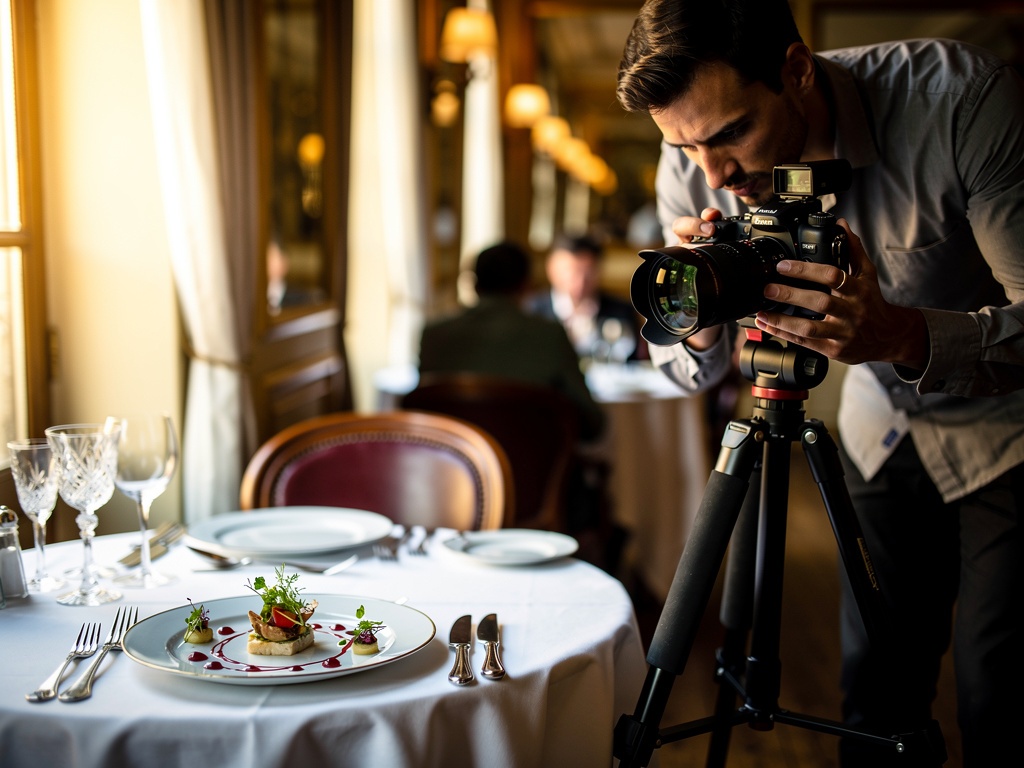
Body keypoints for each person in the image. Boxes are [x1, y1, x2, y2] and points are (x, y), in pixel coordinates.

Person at [617, 2, 1024, 766]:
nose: (712, 174)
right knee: (875, 688)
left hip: (1005, 431)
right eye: (684, 146)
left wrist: (901, 334)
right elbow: (690, 369)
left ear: (797, 71)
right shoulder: (694, 158)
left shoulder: (958, 101)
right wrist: (699, 312)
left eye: (732, 133)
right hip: (880, 430)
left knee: (994, 691)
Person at [417, 240, 605, 441]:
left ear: (474, 285)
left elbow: (422, 410)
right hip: (532, 458)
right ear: (526, 285)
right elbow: (592, 423)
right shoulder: (549, 335)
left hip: (454, 456)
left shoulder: (433, 334)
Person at [524, 233, 645, 363]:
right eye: (572, 272)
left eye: (588, 273)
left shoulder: (621, 311)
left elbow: (634, 363)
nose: (580, 282)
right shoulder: (530, 310)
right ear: (552, 269)